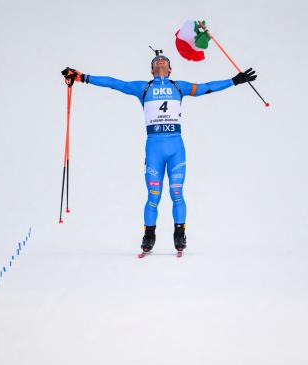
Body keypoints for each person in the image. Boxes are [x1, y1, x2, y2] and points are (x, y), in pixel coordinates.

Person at [61, 53, 257, 255]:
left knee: (177, 193)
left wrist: (234, 81)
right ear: (152, 70)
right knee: (153, 196)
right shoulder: (143, 88)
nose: (161, 62)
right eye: (156, 62)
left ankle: (179, 234)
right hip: (154, 149)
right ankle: (149, 235)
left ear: (170, 70)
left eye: (165, 61)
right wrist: (82, 77)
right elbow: (114, 83)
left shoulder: (179, 86)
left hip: (176, 149)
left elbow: (207, 87)